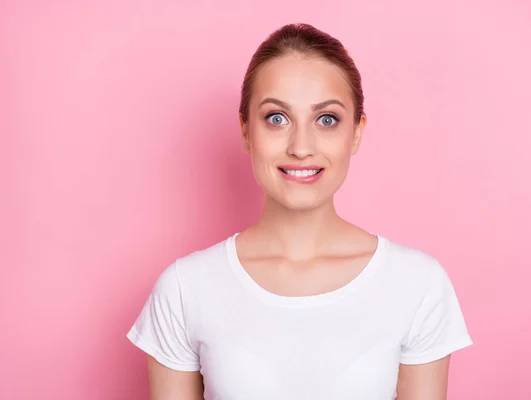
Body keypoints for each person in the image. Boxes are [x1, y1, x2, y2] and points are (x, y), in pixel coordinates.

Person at [126, 23, 473, 400]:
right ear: (246, 131)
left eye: (327, 119)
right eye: (277, 118)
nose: (301, 147)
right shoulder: (184, 289)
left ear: (356, 133)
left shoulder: (416, 284)